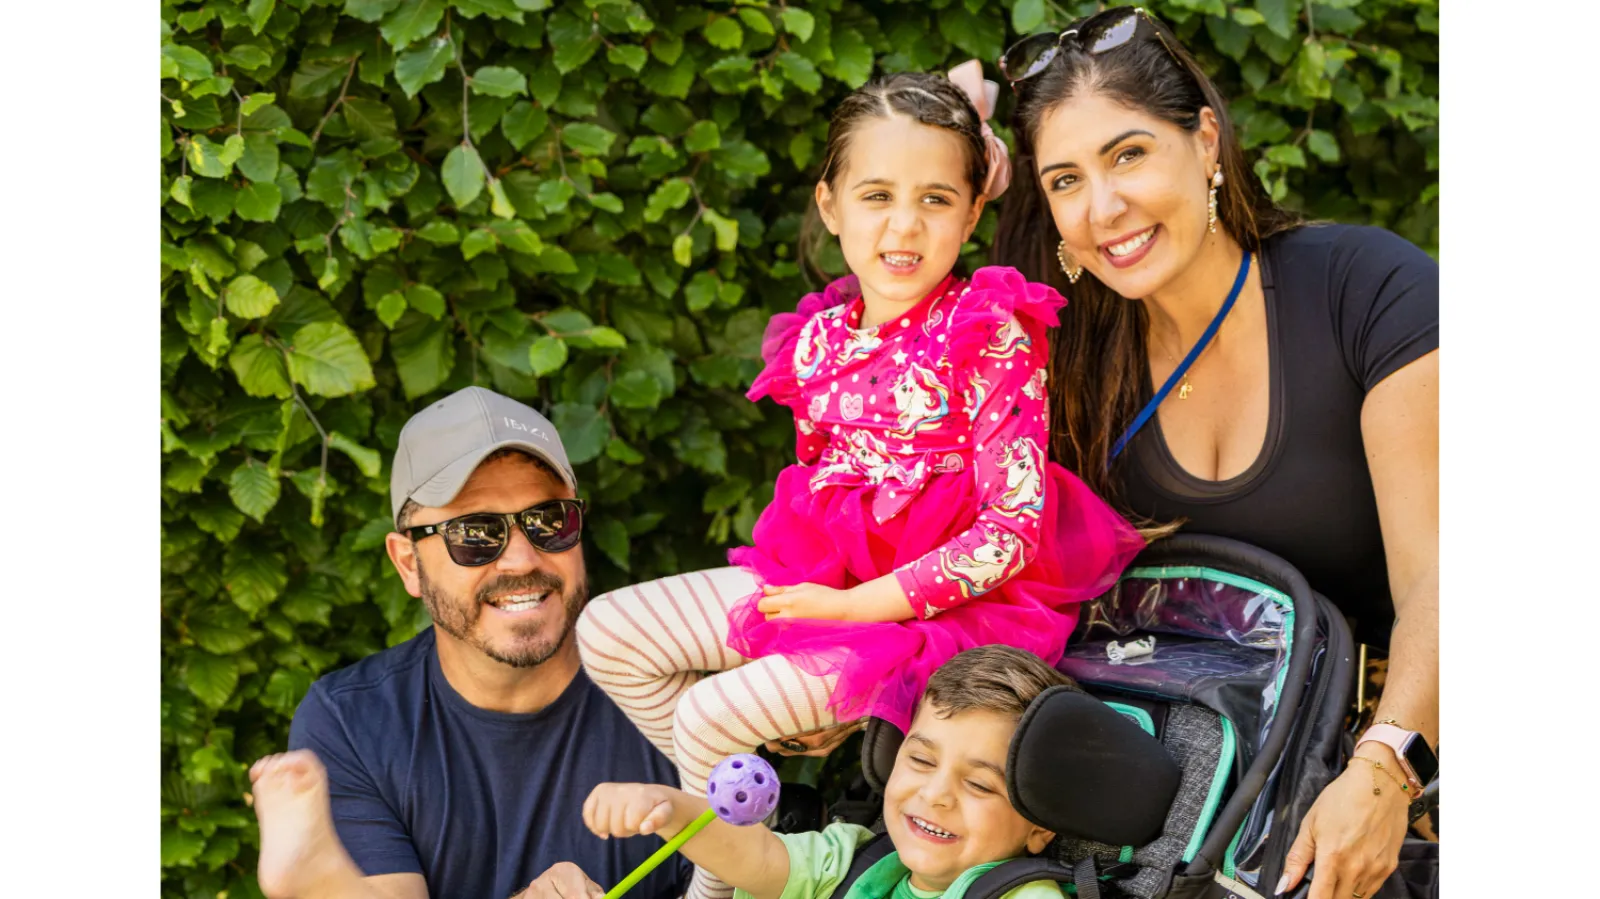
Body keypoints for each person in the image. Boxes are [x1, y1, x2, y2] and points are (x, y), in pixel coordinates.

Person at [575, 65, 1144, 899]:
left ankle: (717, 886)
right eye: (876, 196)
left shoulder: (988, 334)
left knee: (707, 714)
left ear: (974, 209)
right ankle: (747, 800)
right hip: (828, 584)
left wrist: (852, 614)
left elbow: (1011, 531)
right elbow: (824, 491)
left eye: (935, 200)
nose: (903, 228)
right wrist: (815, 661)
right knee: (609, 632)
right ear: (830, 204)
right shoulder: (815, 342)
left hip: (945, 609)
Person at [990, 8, 1438, 899]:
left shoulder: (1365, 289)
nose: (1103, 208)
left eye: (1128, 155)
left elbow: (1451, 568)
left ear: (1204, 143)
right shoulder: (1073, 365)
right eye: (1065, 179)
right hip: (1215, 802)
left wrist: (1391, 763)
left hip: (1416, 769)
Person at [247, 386, 688, 899]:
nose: (522, 560)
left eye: (549, 521)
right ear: (408, 563)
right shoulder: (354, 720)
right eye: (475, 534)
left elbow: (747, 869)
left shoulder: (668, 685)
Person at [582, 646, 1077, 899]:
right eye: (921, 760)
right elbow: (757, 857)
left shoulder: (1026, 894)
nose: (936, 793)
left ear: (1038, 825)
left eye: (978, 784)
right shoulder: (856, 860)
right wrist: (668, 809)